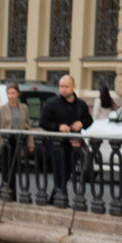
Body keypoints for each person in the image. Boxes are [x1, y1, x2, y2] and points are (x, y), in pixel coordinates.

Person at [37, 71, 92, 199]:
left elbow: (89, 120)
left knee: (67, 172)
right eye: (61, 86)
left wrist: (81, 123)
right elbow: (43, 122)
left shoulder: (81, 104)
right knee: (60, 171)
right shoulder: (52, 103)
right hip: (57, 143)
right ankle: (61, 198)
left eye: (66, 86)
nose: (63, 89)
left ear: (74, 87)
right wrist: (58, 126)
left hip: (74, 143)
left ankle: (55, 199)